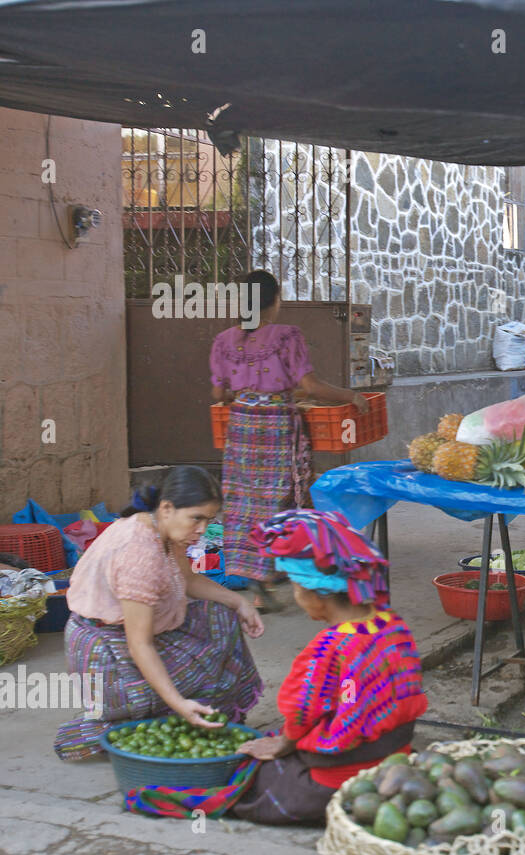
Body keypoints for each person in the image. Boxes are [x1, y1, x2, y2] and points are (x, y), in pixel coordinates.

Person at [227, 509, 428, 825]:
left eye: (295, 586)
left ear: (316, 593)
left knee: (256, 781)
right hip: (394, 757)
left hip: (342, 775)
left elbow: (300, 712)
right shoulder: (392, 624)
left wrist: (282, 745)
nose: (295, 595)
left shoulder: (328, 649)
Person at [54, 467, 264, 760]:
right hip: (107, 649)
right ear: (166, 508)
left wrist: (238, 602)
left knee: (221, 617)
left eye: (209, 520)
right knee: (145, 716)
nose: (203, 529)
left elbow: (188, 579)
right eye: (197, 518)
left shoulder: (162, 529)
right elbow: (139, 643)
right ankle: (110, 724)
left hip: (146, 628)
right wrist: (177, 702)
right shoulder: (139, 554)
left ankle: (205, 709)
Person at [210, 270, 368, 611]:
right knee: (287, 498)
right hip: (276, 428)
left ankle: (259, 582)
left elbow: (219, 393)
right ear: (274, 301)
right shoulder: (286, 336)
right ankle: (306, 578)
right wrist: (350, 395)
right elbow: (310, 387)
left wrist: (252, 393)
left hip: (240, 428)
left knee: (245, 504)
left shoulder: (224, 341)